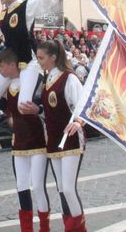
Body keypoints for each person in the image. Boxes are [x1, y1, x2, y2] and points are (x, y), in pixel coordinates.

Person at [0, 49, 49, 232]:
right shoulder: (8, 85)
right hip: (19, 140)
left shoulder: (32, 80)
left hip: (37, 138)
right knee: (22, 186)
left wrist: (37, 109)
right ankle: (26, 228)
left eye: (1, 67)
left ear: (12, 64)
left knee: (38, 186)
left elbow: (43, 103)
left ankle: (44, 227)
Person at [35, 40, 86, 232]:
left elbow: (82, 106)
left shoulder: (69, 78)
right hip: (54, 140)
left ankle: (78, 229)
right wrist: (37, 110)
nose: (39, 61)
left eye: (41, 58)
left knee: (69, 188)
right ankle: (72, 226)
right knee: (62, 189)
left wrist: (78, 122)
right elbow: (49, 110)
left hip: (70, 138)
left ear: (53, 57)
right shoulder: (47, 79)